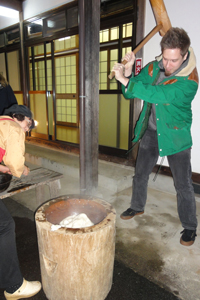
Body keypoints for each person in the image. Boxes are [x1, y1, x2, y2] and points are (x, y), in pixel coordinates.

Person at [112, 27, 199, 246]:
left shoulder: (190, 81)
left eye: (174, 60)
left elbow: (158, 95)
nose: (168, 65)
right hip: (151, 130)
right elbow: (130, 92)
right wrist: (129, 72)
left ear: (185, 55)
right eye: (165, 58)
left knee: (183, 185)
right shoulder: (153, 67)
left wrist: (125, 79)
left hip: (175, 136)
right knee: (140, 174)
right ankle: (137, 206)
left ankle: (190, 226)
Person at [0, 104, 41, 299]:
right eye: (27, 124)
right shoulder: (14, 128)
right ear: (17, 117)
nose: (27, 129)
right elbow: (15, 164)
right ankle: (14, 286)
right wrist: (20, 169)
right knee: (5, 226)